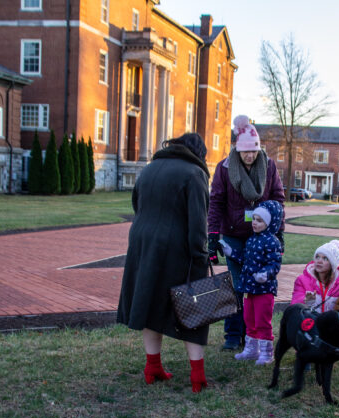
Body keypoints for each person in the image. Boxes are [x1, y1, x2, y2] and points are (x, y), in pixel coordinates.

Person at [117, 133, 211, 393]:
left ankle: (152, 367)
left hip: (142, 244)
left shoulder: (149, 169)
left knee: (149, 303)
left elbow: (137, 205)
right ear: (198, 152)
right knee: (193, 310)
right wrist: (201, 255)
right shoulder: (194, 174)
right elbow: (197, 224)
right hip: (175, 249)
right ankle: (197, 376)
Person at [208, 115, 286, 351]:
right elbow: (216, 202)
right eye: (245, 152)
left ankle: (253, 334)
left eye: (253, 151)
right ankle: (233, 335)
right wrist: (212, 236)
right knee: (237, 284)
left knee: (257, 285)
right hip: (233, 234)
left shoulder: (269, 166)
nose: (250, 156)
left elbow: (278, 199)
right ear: (236, 150)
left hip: (261, 236)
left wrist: (279, 233)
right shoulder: (224, 168)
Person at [218, 200, 283, 364]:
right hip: (249, 288)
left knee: (262, 321)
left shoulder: (273, 242)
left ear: (269, 222)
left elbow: (275, 264)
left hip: (264, 290)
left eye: (259, 220)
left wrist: (265, 274)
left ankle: (267, 353)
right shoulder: (251, 240)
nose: (254, 223)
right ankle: (251, 350)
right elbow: (244, 260)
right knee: (249, 319)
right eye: (254, 219)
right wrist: (230, 251)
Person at [291, 239, 339, 312]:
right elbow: (295, 307)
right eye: (317, 257)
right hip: (310, 321)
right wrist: (308, 300)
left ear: (333, 264)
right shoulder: (302, 281)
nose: (319, 261)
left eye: (325, 258)